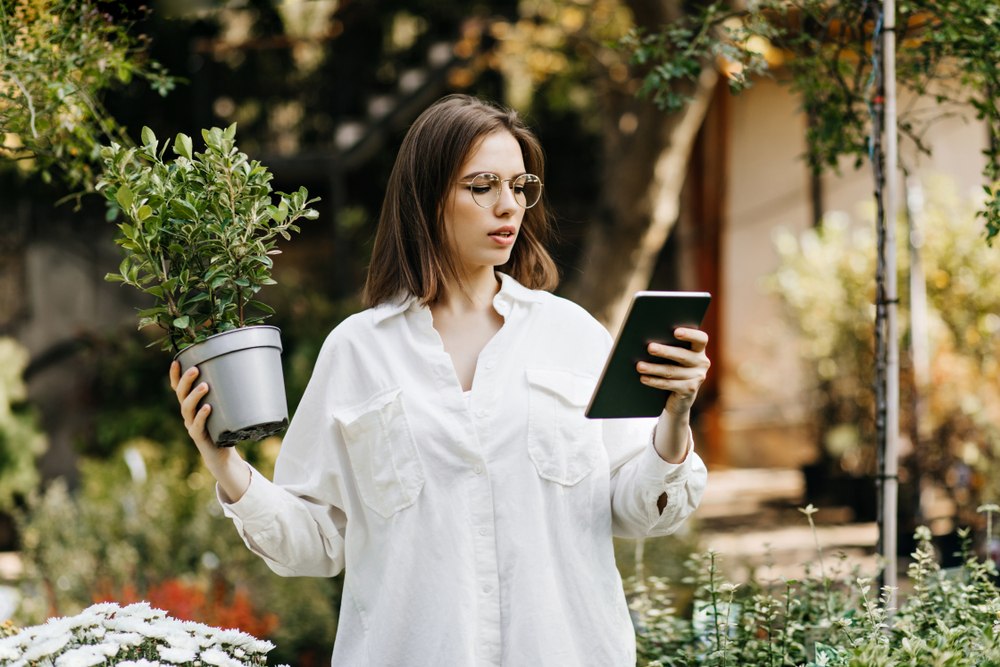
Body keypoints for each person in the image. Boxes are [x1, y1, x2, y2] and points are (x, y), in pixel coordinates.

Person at [170, 94, 709, 667]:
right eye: (482, 186)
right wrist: (224, 465)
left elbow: (638, 508)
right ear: (428, 198)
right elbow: (319, 543)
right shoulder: (357, 351)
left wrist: (674, 418)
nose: (508, 206)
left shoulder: (572, 336)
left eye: (520, 185)